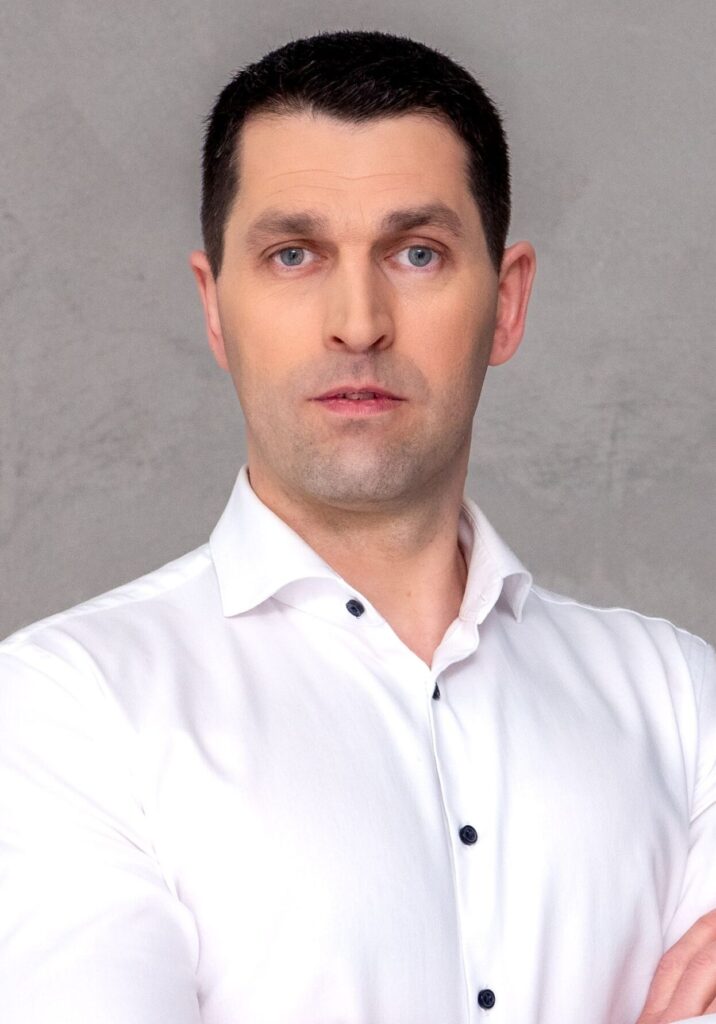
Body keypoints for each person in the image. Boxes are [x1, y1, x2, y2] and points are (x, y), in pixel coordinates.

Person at [0, 27, 714, 1024]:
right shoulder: (66, 709)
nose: (358, 321)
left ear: (506, 303)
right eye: (293, 255)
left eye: (416, 253)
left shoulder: (679, 700)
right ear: (216, 308)